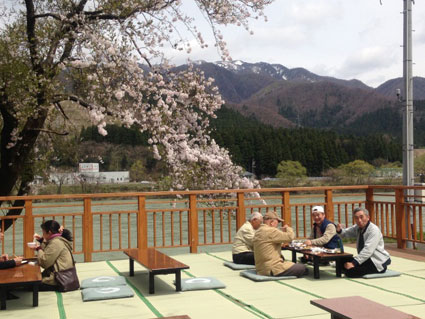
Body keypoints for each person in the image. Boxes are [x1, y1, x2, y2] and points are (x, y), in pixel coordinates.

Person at [337, 207, 391, 278]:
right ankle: (348, 267)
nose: (359, 220)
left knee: (350, 272)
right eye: (356, 218)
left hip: (376, 262)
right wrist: (339, 231)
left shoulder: (374, 230)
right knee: (341, 260)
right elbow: (346, 233)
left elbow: (368, 250)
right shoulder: (358, 227)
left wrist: (353, 263)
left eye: (361, 217)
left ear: (368, 217)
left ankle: (349, 268)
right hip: (365, 259)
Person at [253, 211, 308, 277]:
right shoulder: (271, 231)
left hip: (261, 269)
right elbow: (290, 237)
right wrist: (288, 228)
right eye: (277, 222)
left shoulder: (259, 230)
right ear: (272, 222)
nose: (278, 225)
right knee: (303, 268)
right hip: (272, 268)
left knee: (289, 262)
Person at [29, 220, 76, 290]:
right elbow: (49, 252)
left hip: (58, 280)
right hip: (65, 276)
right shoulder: (59, 239)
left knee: (27, 284)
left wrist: (39, 248)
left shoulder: (56, 243)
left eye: (43, 232)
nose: (43, 235)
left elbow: (44, 262)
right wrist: (42, 241)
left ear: (49, 232)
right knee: (31, 280)